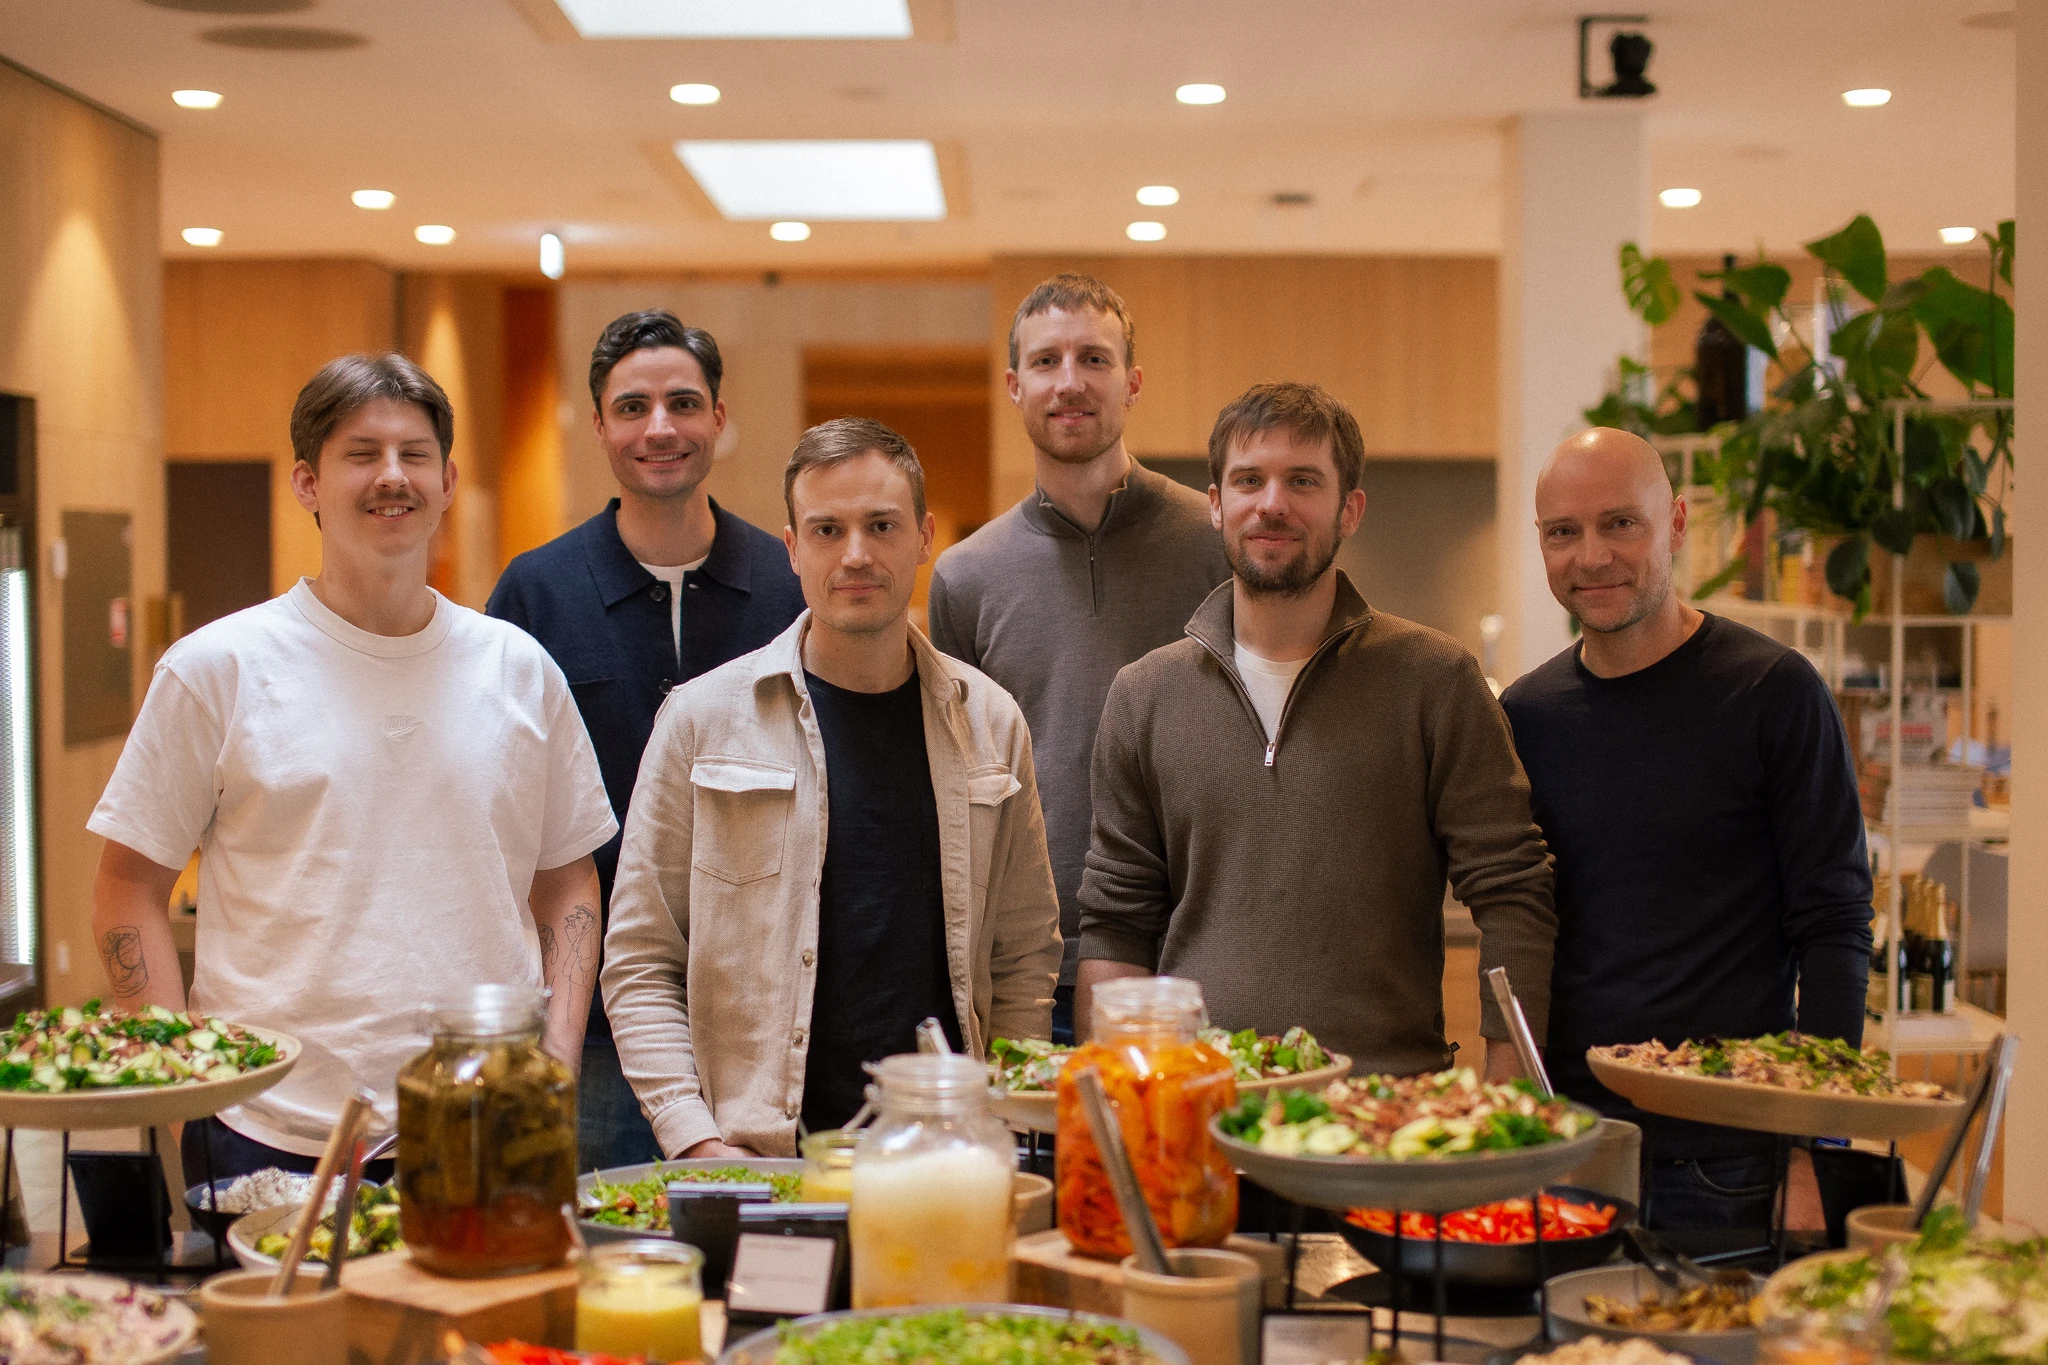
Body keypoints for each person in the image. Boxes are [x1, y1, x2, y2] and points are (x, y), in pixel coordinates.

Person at [89, 354, 617, 1184]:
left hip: (488, 1122)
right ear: (307, 482)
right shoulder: (216, 668)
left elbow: (568, 879)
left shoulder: (519, 669)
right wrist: (182, 1085)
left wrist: (555, 1056)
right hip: (265, 1123)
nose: (391, 476)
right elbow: (126, 886)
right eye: (362, 454)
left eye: (414, 454)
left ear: (447, 481)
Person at [601, 417, 1061, 1157]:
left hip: (946, 1160)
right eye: (826, 530)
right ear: (792, 548)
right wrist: (695, 1140)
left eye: (881, 525)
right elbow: (641, 959)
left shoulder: (991, 722)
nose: (856, 554)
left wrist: (1001, 1120)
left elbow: (1024, 954)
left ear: (924, 537)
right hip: (758, 1163)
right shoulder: (701, 722)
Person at [1077, 381, 1556, 1077]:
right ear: (1216, 504)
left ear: (1349, 508)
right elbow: (1117, 922)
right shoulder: (1144, 695)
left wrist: (1507, 1090)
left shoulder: (1435, 680)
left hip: (1384, 1110)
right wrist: (1119, 1098)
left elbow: (1513, 891)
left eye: (1303, 480)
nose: (1272, 503)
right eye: (1249, 480)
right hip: (1201, 1105)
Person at [1499, 426, 1873, 1233]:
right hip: (1572, 1147)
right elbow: (1521, 919)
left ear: (1673, 525)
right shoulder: (1525, 716)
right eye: (1563, 531)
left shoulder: (1773, 692)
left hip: (1733, 1158)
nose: (1591, 555)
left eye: (1619, 523)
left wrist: (1815, 1146)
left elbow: (1835, 927)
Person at [488, 310, 804, 1170]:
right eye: (632, 407)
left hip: (761, 1024)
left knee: (755, 1242)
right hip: (587, 1030)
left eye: (683, 403)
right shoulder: (535, 592)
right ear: (598, 425)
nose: (659, 428)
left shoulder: (790, 586)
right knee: (595, 1236)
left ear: (719, 418)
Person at [927, 273, 1227, 1043]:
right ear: (1014, 386)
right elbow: (958, 782)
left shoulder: (1217, 545)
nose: (1070, 382)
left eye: (1093, 358)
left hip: (1192, 956)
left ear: (1132, 382)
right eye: (1046, 361)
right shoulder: (964, 576)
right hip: (1031, 968)